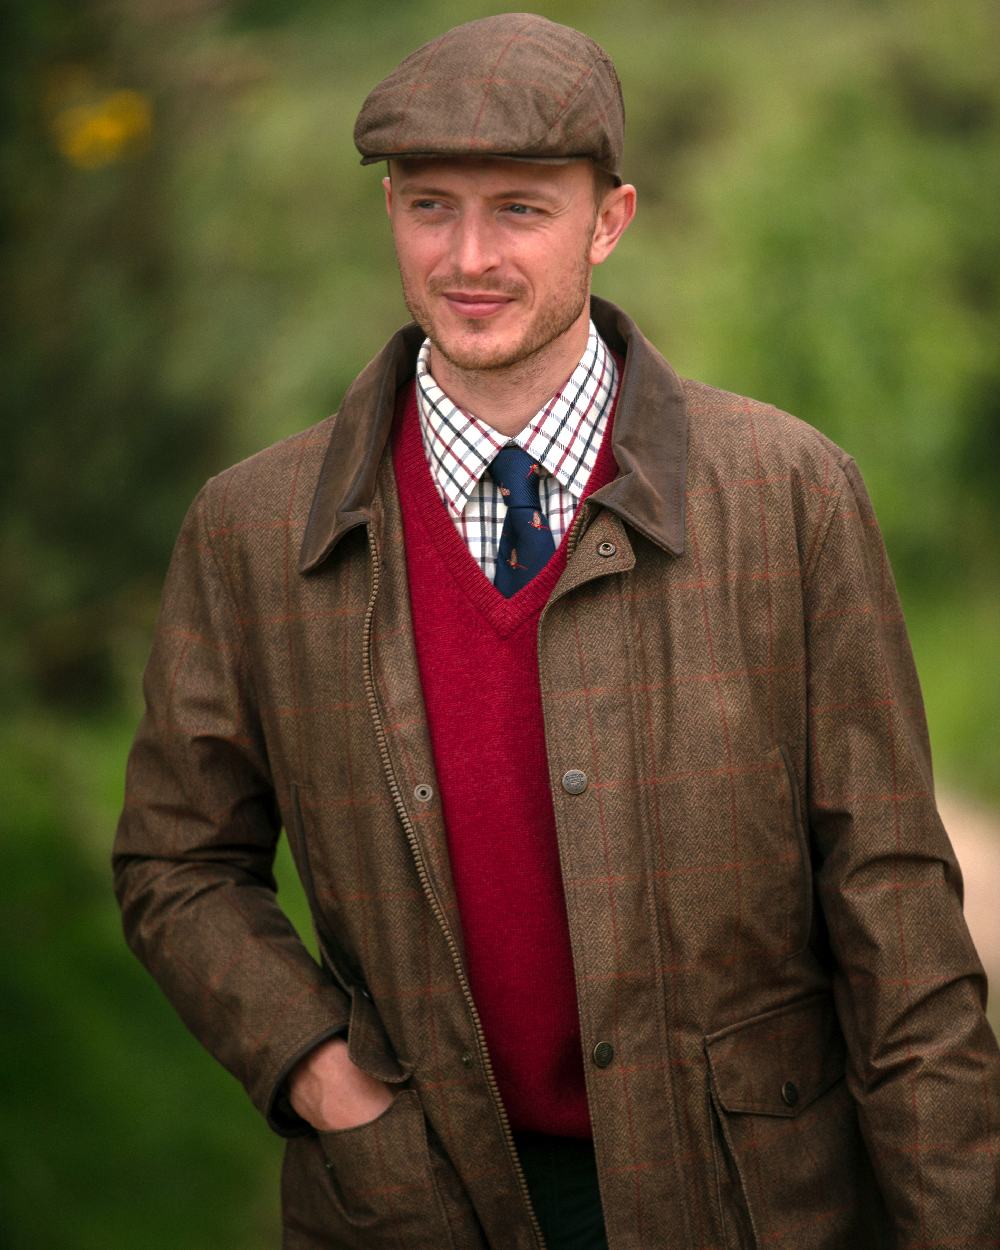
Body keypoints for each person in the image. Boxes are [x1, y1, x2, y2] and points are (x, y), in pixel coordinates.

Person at [112, 13, 1000, 1249]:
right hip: (414, 1202)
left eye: (520, 209)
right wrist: (324, 1076)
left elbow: (894, 905)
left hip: (750, 1203)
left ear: (609, 219)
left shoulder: (790, 492)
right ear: (390, 214)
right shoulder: (248, 529)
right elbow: (176, 862)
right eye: (430, 206)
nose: (468, 256)